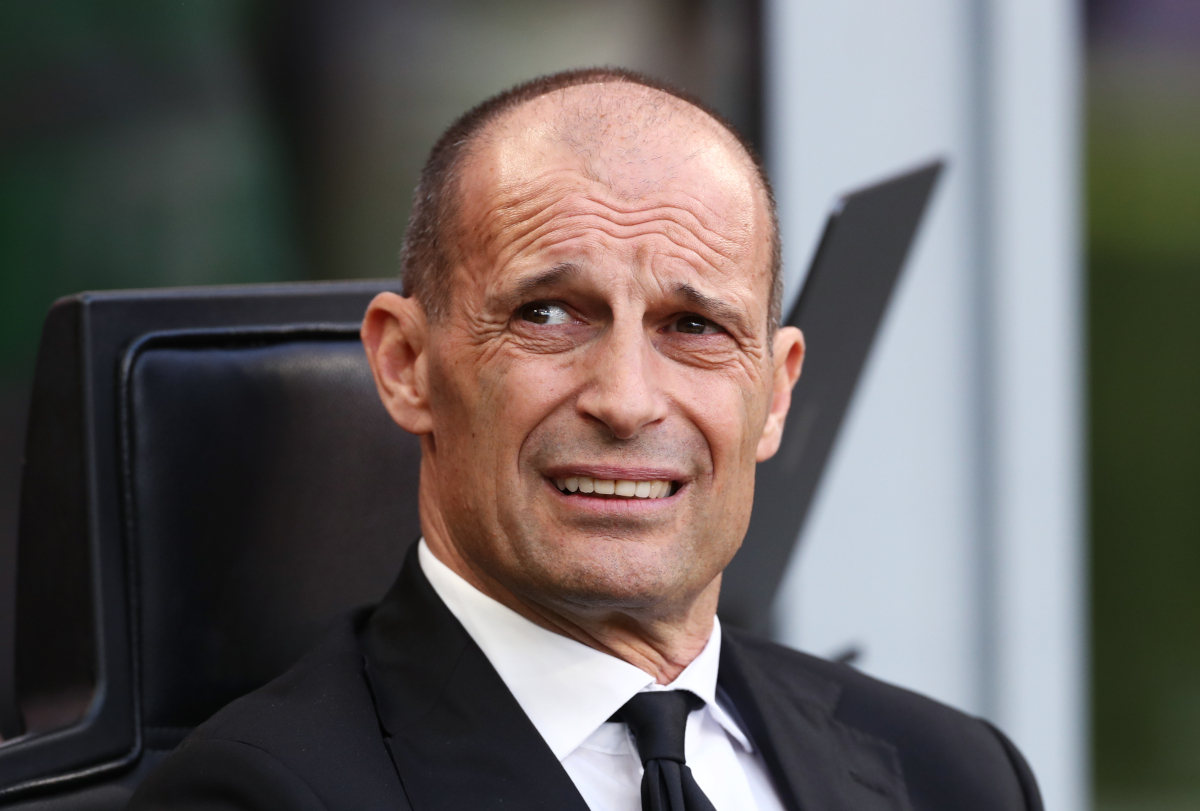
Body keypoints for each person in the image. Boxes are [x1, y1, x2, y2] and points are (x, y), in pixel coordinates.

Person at [128, 68, 1042, 811]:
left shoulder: (956, 775)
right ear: (407, 364)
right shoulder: (255, 796)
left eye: (693, 326)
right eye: (550, 313)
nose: (628, 399)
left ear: (774, 394)